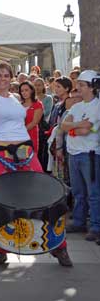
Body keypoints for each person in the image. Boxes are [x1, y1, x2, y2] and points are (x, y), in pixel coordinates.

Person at [0, 27, 72, 266]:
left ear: (10, 78)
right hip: (0, 156)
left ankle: (58, 246)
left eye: (5, 75)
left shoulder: (14, 98)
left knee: (45, 197)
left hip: (26, 152)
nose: (1, 78)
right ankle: (0, 249)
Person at [61, 70, 100, 242]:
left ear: (92, 87)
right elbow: (63, 125)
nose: (79, 88)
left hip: (89, 155)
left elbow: (86, 130)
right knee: (78, 192)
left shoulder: (97, 106)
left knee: (93, 193)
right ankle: (79, 221)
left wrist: (72, 127)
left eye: (82, 85)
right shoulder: (76, 106)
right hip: (74, 153)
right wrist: (76, 125)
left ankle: (96, 225)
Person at [19, 81, 44, 153]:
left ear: (32, 90)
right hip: (18, 137)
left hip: (31, 135)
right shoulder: (19, 104)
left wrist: (20, 130)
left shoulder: (38, 104)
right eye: (22, 91)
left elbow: (34, 122)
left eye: (26, 90)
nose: (24, 92)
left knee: (30, 158)